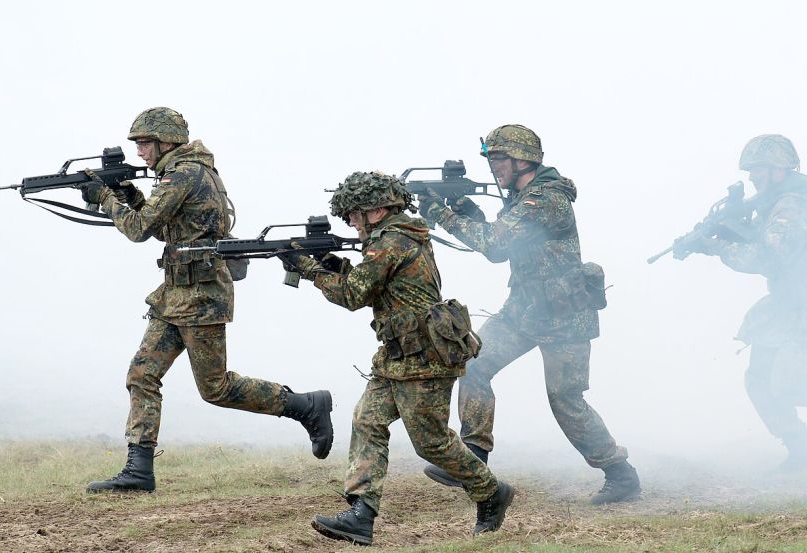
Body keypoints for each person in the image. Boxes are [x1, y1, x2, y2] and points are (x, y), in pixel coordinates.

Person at [80, 107, 334, 492]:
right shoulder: (183, 171)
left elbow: (138, 229)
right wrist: (128, 193)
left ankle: (305, 406)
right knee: (142, 374)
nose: (140, 153)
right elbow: (169, 224)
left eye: (145, 144)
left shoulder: (184, 173)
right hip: (175, 295)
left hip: (200, 297)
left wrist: (105, 197)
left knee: (215, 388)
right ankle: (139, 470)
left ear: (167, 141)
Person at [418, 124, 640, 504]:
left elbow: (494, 244)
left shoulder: (546, 199)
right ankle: (474, 456)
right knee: (474, 364)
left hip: (564, 316)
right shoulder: (523, 197)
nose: (494, 168)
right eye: (491, 160)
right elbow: (506, 244)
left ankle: (620, 474)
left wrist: (443, 214)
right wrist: (468, 212)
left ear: (523, 160)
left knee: (565, 399)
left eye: (499, 159)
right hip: (522, 309)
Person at [289, 171, 514, 546]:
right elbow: (371, 284)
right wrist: (329, 263)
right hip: (398, 355)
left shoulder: (392, 241)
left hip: (425, 357)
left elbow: (352, 295)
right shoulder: (393, 238)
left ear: (376, 210)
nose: (350, 222)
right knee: (367, 419)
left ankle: (491, 493)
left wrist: (310, 269)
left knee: (432, 443)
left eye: (354, 214)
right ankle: (361, 513)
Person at [683, 134, 807, 471]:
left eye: (758, 171)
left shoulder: (794, 205)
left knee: (786, 386)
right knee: (759, 381)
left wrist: (717, 246)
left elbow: (769, 258)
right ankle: (801, 453)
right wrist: (723, 232)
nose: (752, 178)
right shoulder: (773, 204)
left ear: (779, 170)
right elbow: (761, 241)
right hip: (784, 305)